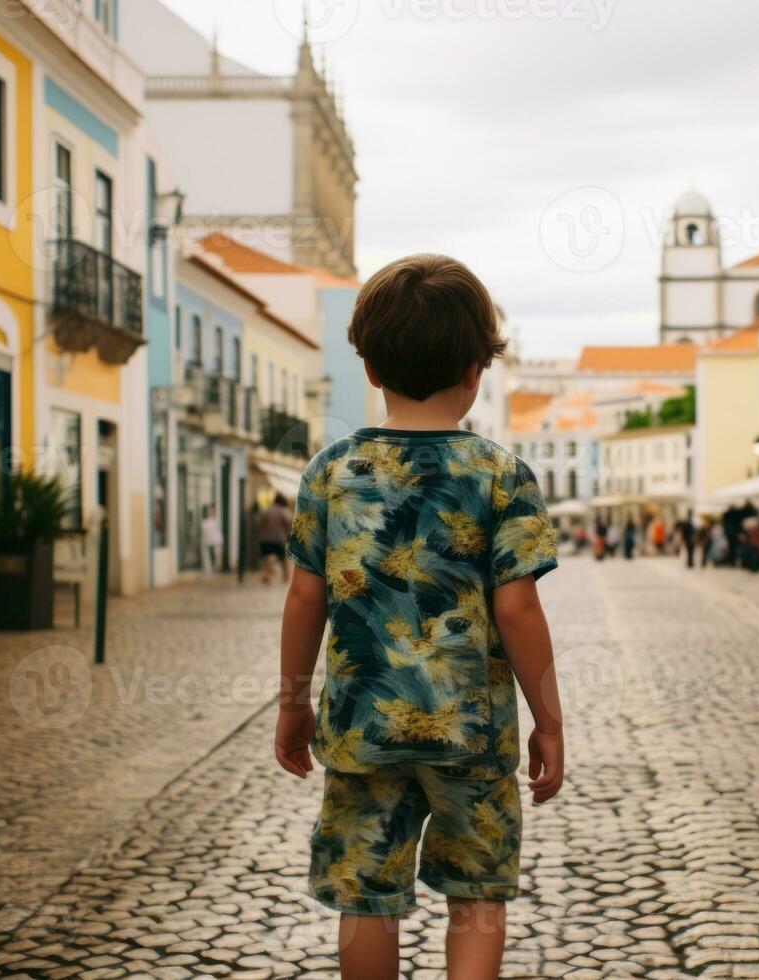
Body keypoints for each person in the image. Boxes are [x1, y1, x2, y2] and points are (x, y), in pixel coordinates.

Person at [274, 254, 564, 980]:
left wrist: (291, 704)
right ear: (475, 369)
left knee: (365, 897)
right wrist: (548, 718)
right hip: (473, 731)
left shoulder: (330, 473)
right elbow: (519, 606)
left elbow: (305, 598)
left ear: (370, 368)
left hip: (361, 723)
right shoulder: (500, 476)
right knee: (475, 899)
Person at [258, 493, 294, 585]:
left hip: (265, 539)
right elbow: (291, 523)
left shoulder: (266, 510)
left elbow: (260, 523)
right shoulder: (284, 511)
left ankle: (268, 575)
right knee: (283, 559)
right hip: (279, 539)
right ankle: (286, 576)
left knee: (267, 558)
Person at [201, 504, 223, 574]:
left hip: (216, 541)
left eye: (212, 510)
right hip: (208, 542)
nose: (211, 511)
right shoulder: (205, 522)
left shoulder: (217, 520)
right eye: (210, 510)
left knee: (217, 557)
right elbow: (204, 532)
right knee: (210, 557)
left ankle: (215, 570)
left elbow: (218, 532)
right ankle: (211, 570)